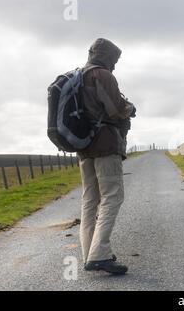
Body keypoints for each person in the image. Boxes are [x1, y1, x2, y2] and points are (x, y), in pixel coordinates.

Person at [78, 38, 136, 274]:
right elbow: (114, 110)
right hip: (105, 144)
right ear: (107, 56)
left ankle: (90, 254)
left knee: (89, 201)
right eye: (115, 59)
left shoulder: (78, 76)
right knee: (113, 196)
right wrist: (130, 108)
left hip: (84, 147)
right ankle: (99, 255)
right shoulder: (102, 75)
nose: (115, 64)